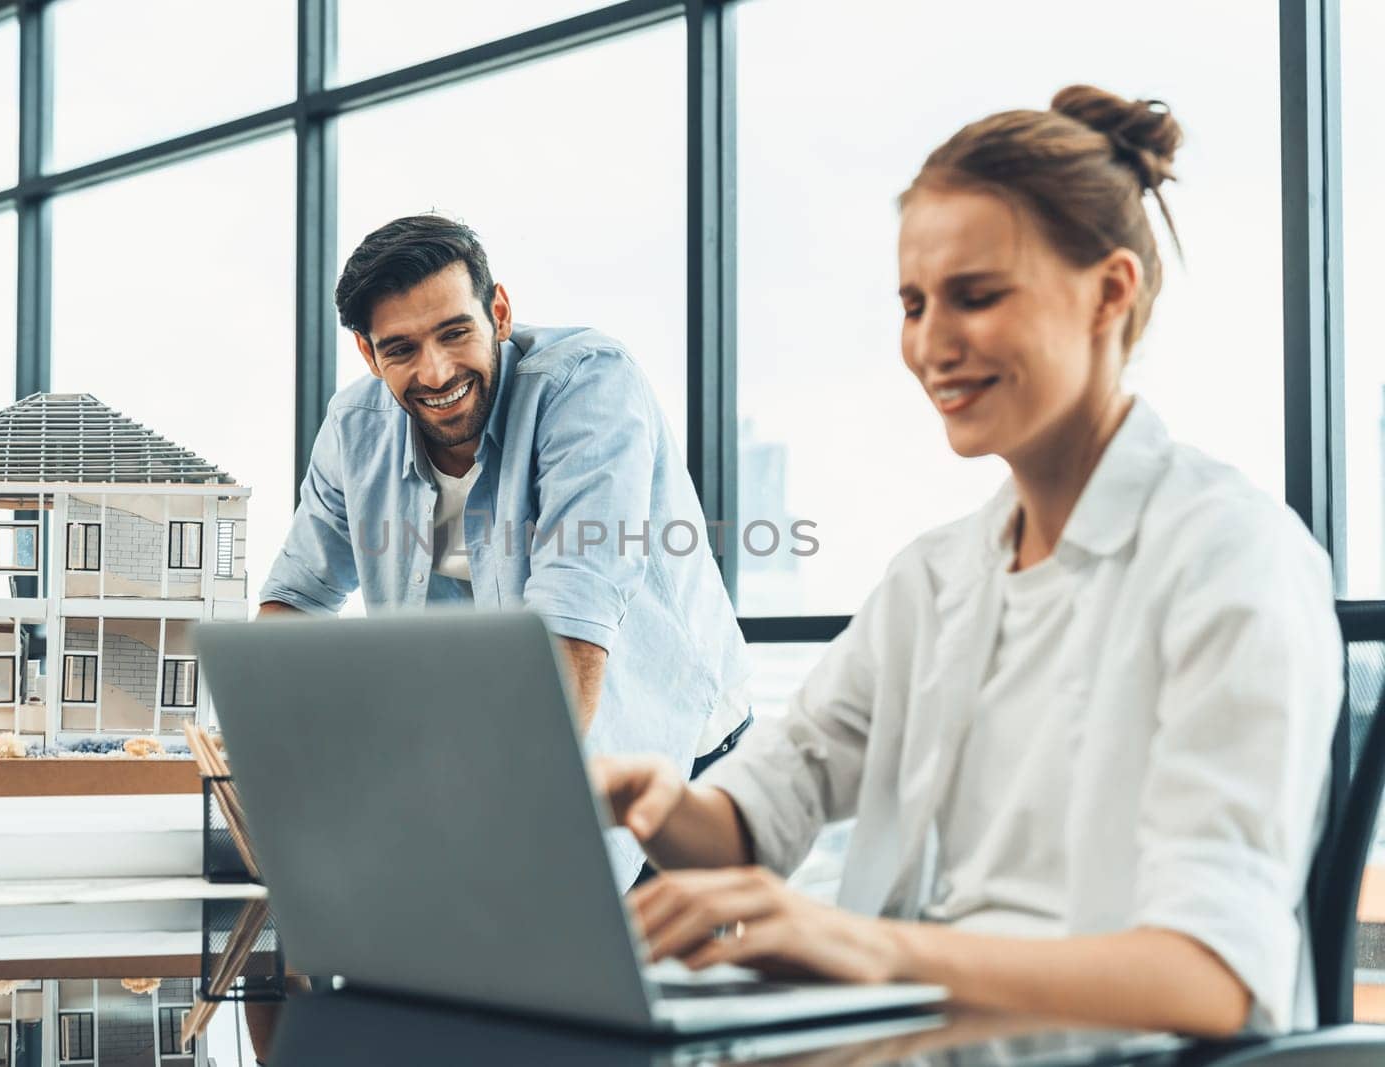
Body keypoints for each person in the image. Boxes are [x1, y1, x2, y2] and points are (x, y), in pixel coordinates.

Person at [593, 85, 1342, 1037]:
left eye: (976, 297)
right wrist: (653, 800)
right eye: (913, 304)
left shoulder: (1233, 558)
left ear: (1110, 292)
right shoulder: (934, 579)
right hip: (919, 1041)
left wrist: (872, 948)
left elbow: (1215, 979)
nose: (931, 345)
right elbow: (755, 821)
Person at [260, 214, 752, 888]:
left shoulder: (588, 387)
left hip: (666, 751)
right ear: (369, 356)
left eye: (454, 332)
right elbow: (296, 600)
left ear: (498, 311)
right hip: (499, 755)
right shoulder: (356, 427)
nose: (435, 372)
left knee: (647, 981)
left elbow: (570, 630)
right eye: (400, 348)